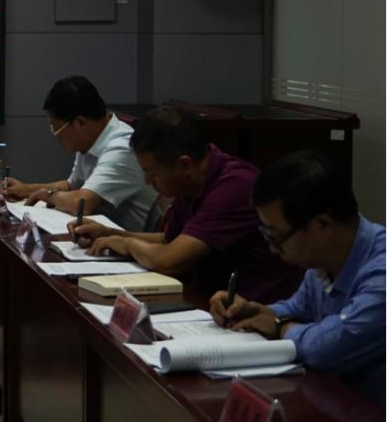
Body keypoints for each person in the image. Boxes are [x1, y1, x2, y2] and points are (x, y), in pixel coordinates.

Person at [72, 107, 301, 302]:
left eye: (152, 173)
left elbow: (170, 260)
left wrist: (128, 244)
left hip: (252, 311)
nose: (148, 181)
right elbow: (169, 240)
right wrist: (110, 234)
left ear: (184, 165)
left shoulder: (234, 187)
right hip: (211, 300)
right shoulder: (190, 182)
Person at [210, 151, 384, 405]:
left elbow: (326, 348)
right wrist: (256, 311)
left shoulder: (381, 273)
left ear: (322, 225)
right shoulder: (325, 257)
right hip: (331, 401)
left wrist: (279, 326)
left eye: (276, 237)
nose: (272, 248)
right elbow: (298, 309)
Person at [4, 75, 160, 231]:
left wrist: (49, 196)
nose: (56, 135)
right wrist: (26, 189)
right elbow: (71, 186)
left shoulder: (121, 148)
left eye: (56, 128)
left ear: (80, 123)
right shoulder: (90, 140)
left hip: (131, 241)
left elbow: (82, 203)